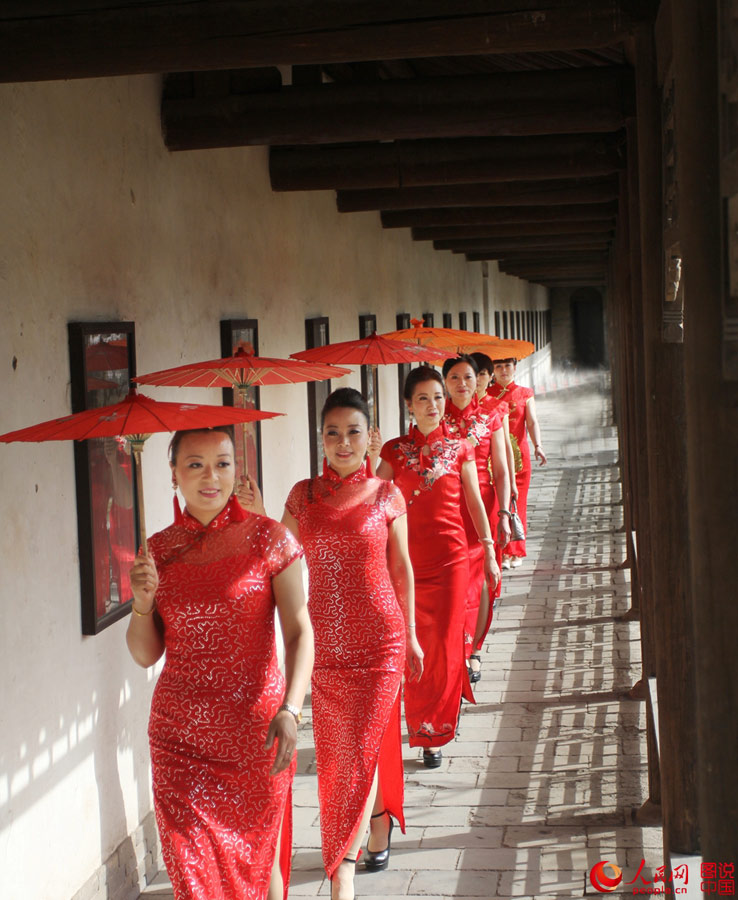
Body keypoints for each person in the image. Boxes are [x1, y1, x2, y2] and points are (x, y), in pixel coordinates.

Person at [242, 389, 423, 900]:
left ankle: (342, 871)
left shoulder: (388, 496)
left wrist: (410, 636)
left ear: (371, 437)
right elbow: (278, 554)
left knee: (363, 752)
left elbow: (401, 569)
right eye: (332, 432)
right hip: (325, 648)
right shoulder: (303, 496)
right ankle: (366, 829)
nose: (343, 442)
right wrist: (258, 516)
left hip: (380, 642)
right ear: (320, 438)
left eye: (353, 431)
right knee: (337, 760)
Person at [126, 426, 314, 900]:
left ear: (236, 467)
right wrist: (142, 604)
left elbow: (298, 631)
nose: (211, 476)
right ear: (173, 473)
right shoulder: (158, 552)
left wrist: (291, 708)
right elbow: (146, 653)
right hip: (179, 741)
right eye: (195, 464)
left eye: (223, 463)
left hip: (257, 732)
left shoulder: (270, 540)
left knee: (254, 858)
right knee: (195, 880)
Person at [377, 366, 500, 770]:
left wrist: (489, 549)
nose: (433, 405)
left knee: (447, 648)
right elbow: (369, 501)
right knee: (416, 649)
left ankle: (434, 732)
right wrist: (365, 463)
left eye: (437, 397)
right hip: (407, 565)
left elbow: (474, 502)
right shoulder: (393, 452)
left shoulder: (461, 446)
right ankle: (420, 721)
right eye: (423, 399)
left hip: (451, 562)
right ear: (409, 406)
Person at [442, 356, 511, 684]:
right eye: (453, 377)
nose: (461, 383)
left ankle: (475, 650)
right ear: (445, 383)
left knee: (483, 578)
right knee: (456, 581)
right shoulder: (436, 416)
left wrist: (505, 513)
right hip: (449, 509)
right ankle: (457, 646)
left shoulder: (492, 414)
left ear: (479, 380)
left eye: (467, 376)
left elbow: (500, 467)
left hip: (484, 505)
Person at [487, 357, 548, 567]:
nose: (503, 370)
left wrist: (538, 445)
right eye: (498, 367)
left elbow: (531, 421)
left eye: (507, 366)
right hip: (494, 457)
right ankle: (501, 551)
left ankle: (515, 551)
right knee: (496, 502)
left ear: (514, 367)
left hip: (519, 455)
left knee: (517, 502)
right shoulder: (487, 394)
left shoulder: (525, 393)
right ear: (492, 371)